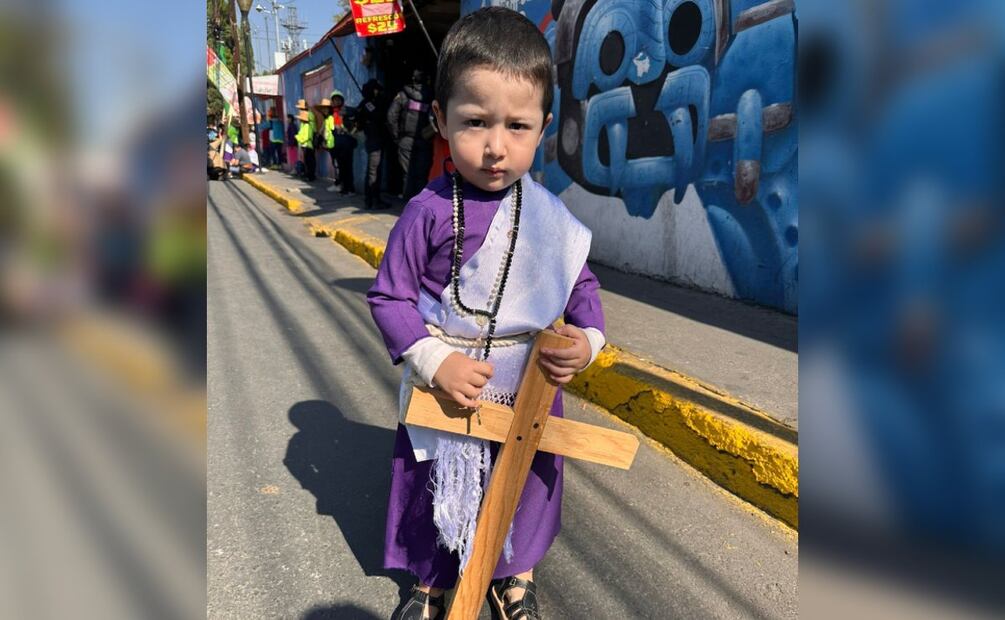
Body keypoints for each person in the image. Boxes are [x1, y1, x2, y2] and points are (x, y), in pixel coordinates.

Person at [367, 8, 606, 620]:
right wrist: (434, 361)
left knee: (527, 486)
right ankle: (429, 582)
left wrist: (587, 342)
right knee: (431, 487)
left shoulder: (552, 221)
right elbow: (390, 298)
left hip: (527, 384)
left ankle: (514, 577)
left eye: (518, 126)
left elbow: (582, 291)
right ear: (442, 120)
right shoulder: (425, 211)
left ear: (543, 129)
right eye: (475, 123)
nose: (496, 146)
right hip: (445, 381)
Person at [387, 68, 436, 201]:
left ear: (413, 79)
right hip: (424, 140)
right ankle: (420, 207)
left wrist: (397, 136)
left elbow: (391, 116)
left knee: (407, 175)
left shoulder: (403, 95)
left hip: (406, 140)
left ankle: (408, 209)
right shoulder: (431, 96)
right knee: (421, 175)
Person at [355, 79, 391, 209]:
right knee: (373, 172)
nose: (378, 91)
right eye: (376, 89)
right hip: (374, 140)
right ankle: (373, 200)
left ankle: (370, 200)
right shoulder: (368, 105)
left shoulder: (367, 104)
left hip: (374, 140)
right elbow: (378, 116)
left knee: (374, 171)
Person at [329, 89, 357, 195]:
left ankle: (350, 189)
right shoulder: (335, 112)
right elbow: (335, 128)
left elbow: (346, 127)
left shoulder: (346, 111)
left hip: (346, 143)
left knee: (347, 167)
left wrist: (349, 130)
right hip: (338, 144)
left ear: (341, 100)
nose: (336, 102)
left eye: (338, 99)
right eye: (334, 100)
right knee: (342, 167)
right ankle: (345, 188)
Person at [295, 109, 316, 182]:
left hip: (308, 145)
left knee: (309, 162)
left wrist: (298, 138)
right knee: (307, 162)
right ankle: (309, 175)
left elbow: (307, 136)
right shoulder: (305, 125)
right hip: (305, 145)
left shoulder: (307, 126)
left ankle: (310, 176)